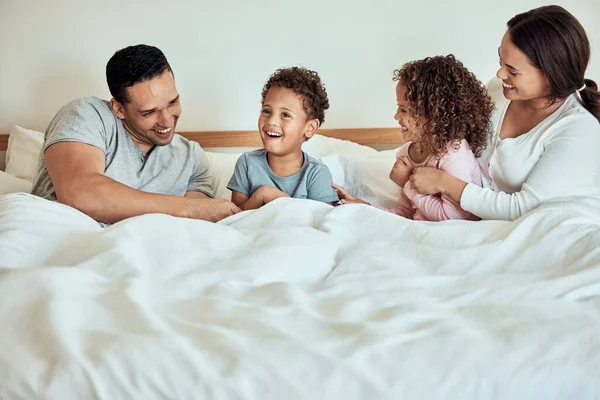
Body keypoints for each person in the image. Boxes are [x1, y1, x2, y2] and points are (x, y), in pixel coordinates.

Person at [409, 5, 600, 221]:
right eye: (501, 61)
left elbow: (523, 209)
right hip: (465, 216)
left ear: (551, 75)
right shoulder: (498, 92)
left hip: (528, 228)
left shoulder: (578, 130)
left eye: (512, 70)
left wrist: (445, 183)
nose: (500, 74)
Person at [31, 44, 240, 225]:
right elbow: (79, 192)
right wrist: (189, 208)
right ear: (119, 109)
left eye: (173, 102)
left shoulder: (192, 158)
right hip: (65, 243)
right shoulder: (86, 114)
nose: (167, 121)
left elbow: (194, 226)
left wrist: (196, 209)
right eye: (149, 112)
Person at [333, 55, 494, 221]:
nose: (396, 116)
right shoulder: (406, 155)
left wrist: (407, 183)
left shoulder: (453, 154)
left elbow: (452, 218)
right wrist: (364, 207)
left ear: (434, 115)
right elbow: (407, 214)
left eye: (404, 110)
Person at [227, 67, 339, 210]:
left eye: (285, 115)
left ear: (310, 128)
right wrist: (262, 195)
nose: (271, 121)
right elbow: (235, 218)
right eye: (267, 111)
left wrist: (278, 199)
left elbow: (320, 222)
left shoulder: (316, 174)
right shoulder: (247, 163)